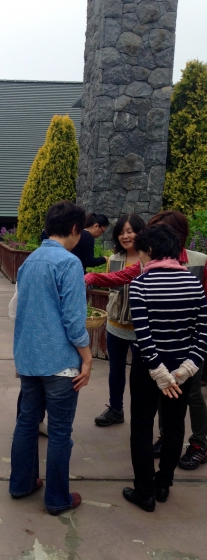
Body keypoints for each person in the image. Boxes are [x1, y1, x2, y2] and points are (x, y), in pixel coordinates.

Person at [85, 210, 207, 469]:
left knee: (192, 395)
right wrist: (92, 277)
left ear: (179, 234)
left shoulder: (199, 261)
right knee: (164, 399)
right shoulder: (146, 263)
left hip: (188, 348)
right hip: (157, 350)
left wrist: (193, 358)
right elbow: (122, 279)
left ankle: (199, 443)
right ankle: (164, 446)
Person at [9, 201, 92, 514]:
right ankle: (57, 498)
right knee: (59, 432)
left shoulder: (29, 261)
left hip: (29, 360)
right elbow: (74, 320)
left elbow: (18, 310)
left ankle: (21, 484)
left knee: (27, 423)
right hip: (59, 362)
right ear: (74, 229)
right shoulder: (69, 263)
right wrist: (87, 357)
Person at [124, 225, 207, 512]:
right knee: (174, 426)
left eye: (140, 252)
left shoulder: (141, 284)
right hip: (181, 370)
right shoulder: (193, 283)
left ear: (149, 251)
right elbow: (202, 333)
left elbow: (144, 334)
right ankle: (163, 485)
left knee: (141, 426)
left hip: (147, 368)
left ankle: (144, 492)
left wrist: (159, 373)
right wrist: (185, 370)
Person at [88, 214, 146, 427]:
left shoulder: (149, 260)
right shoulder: (113, 259)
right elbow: (110, 287)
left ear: (141, 232)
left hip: (141, 329)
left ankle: (140, 416)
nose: (125, 236)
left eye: (130, 231)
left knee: (140, 376)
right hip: (115, 326)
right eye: (121, 232)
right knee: (116, 371)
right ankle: (115, 409)